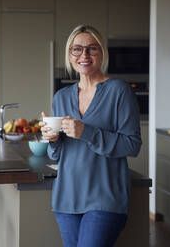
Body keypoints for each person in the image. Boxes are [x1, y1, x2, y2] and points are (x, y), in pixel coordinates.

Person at [40, 25, 142, 247]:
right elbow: (56, 154)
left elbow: (132, 145)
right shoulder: (61, 96)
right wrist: (53, 140)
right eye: (77, 49)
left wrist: (87, 133)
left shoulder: (119, 91)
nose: (84, 55)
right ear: (69, 55)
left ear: (102, 53)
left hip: (105, 198)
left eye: (91, 48)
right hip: (67, 198)